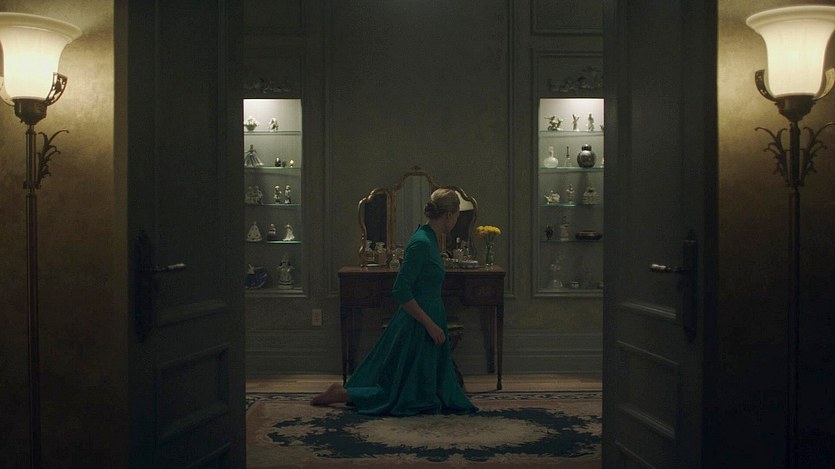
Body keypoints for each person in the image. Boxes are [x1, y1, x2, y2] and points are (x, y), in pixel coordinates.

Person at [311, 188, 477, 416]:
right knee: (402, 396)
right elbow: (400, 290)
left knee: (424, 391)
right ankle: (344, 394)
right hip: (419, 323)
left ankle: (348, 393)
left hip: (430, 315)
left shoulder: (431, 239)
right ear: (449, 214)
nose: (457, 220)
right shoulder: (421, 243)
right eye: (457, 215)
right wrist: (430, 325)